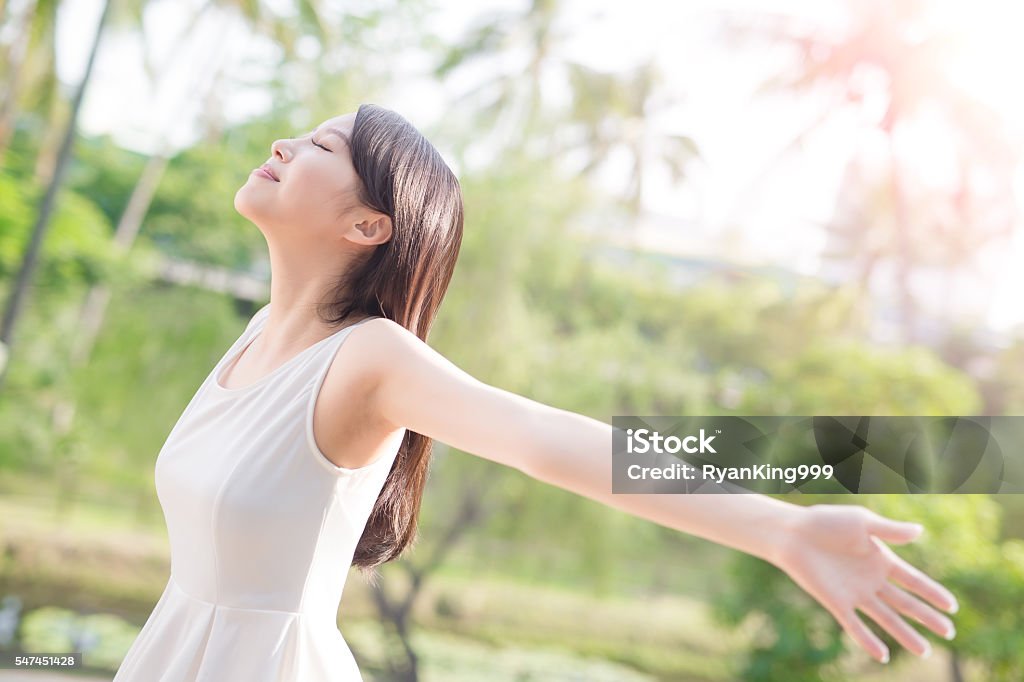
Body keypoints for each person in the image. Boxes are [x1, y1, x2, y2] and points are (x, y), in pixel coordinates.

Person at [113, 103, 959, 681]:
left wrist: (783, 526)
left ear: (368, 226)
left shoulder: (371, 359)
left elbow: (547, 439)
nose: (284, 146)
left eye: (323, 148)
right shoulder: (255, 334)